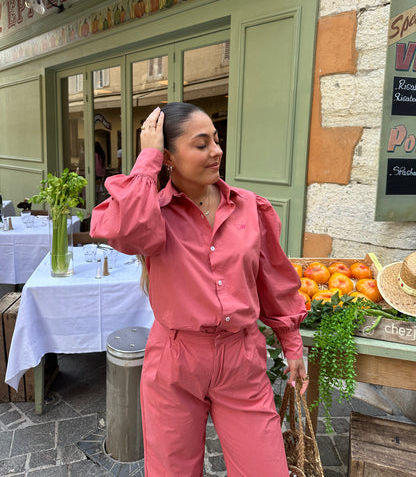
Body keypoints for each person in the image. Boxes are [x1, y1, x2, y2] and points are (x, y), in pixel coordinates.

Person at [90, 102, 309, 476]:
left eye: (217, 141)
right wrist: (146, 159)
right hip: (175, 360)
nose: (216, 151)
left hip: (241, 357)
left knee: (266, 469)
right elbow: (123, 232)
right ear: (169, 158)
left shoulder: (249, 208)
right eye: (202, 143)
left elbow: (272, 279)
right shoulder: (151, 214)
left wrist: (292, 343)